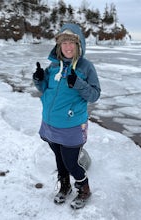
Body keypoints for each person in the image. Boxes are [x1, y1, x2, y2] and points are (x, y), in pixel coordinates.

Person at [33, 23, 101, 209]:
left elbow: (94, 95)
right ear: (59, 45)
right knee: (59, 158)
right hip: (50, 123)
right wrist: (38, 79)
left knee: (71, 163)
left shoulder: (86, 67)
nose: (68, 47)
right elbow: (44, 89)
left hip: (72, 126)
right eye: (64, 43)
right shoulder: (54, 66)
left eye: (72, 42)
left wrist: (78, 83)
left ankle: (84, 188)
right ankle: (65, 186)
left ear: (79, 45)